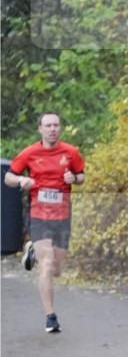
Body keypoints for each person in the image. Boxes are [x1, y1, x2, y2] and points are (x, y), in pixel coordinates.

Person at [4, 112, 86, 333]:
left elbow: (81, 176)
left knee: (57, 269)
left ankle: (30, 249)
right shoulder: (30, 153)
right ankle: (50, 317)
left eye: (56, 125)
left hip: (63, 215)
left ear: (60, 128)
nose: (52, 129)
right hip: (39, 215)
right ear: (40, 129)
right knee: (47, 264)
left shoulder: (71, 152)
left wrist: (74, 179)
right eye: (48, 125)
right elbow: (8, 177)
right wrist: (22, 179)